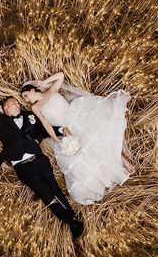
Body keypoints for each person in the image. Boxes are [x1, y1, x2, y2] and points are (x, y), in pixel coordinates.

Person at [0, 95, 85, 242]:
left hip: (39, 160)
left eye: (17, 103)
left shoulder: (29, 117)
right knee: (46, 195)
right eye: (13, 103)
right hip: (23, 168)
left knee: (55, 189)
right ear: (5, 107)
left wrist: (61, 129)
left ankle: (72, 218)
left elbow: (45, 130)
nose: (17, 104)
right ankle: (71, 223)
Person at [20, 72, 134, 205]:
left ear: (33, 89)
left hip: (77, 114)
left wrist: (44, 82)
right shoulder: (36, 107)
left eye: (26, 96)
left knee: (99, 135)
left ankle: (124, 161)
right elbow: (47, 125)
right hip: (67, 130)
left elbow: (61, 76)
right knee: (90, 148)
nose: (26, 100)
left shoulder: (51, 91)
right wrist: (57, 140)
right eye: (24, 99)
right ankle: (123, 165)